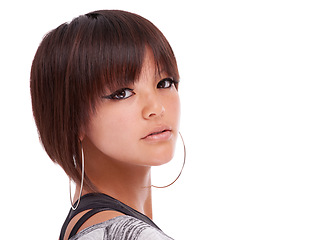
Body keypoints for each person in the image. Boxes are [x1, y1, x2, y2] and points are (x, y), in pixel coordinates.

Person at [30, 9, 184, 240]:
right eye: (121, 93)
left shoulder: (84, 225)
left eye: (164, 82)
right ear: (73, 118)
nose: (156, 108)